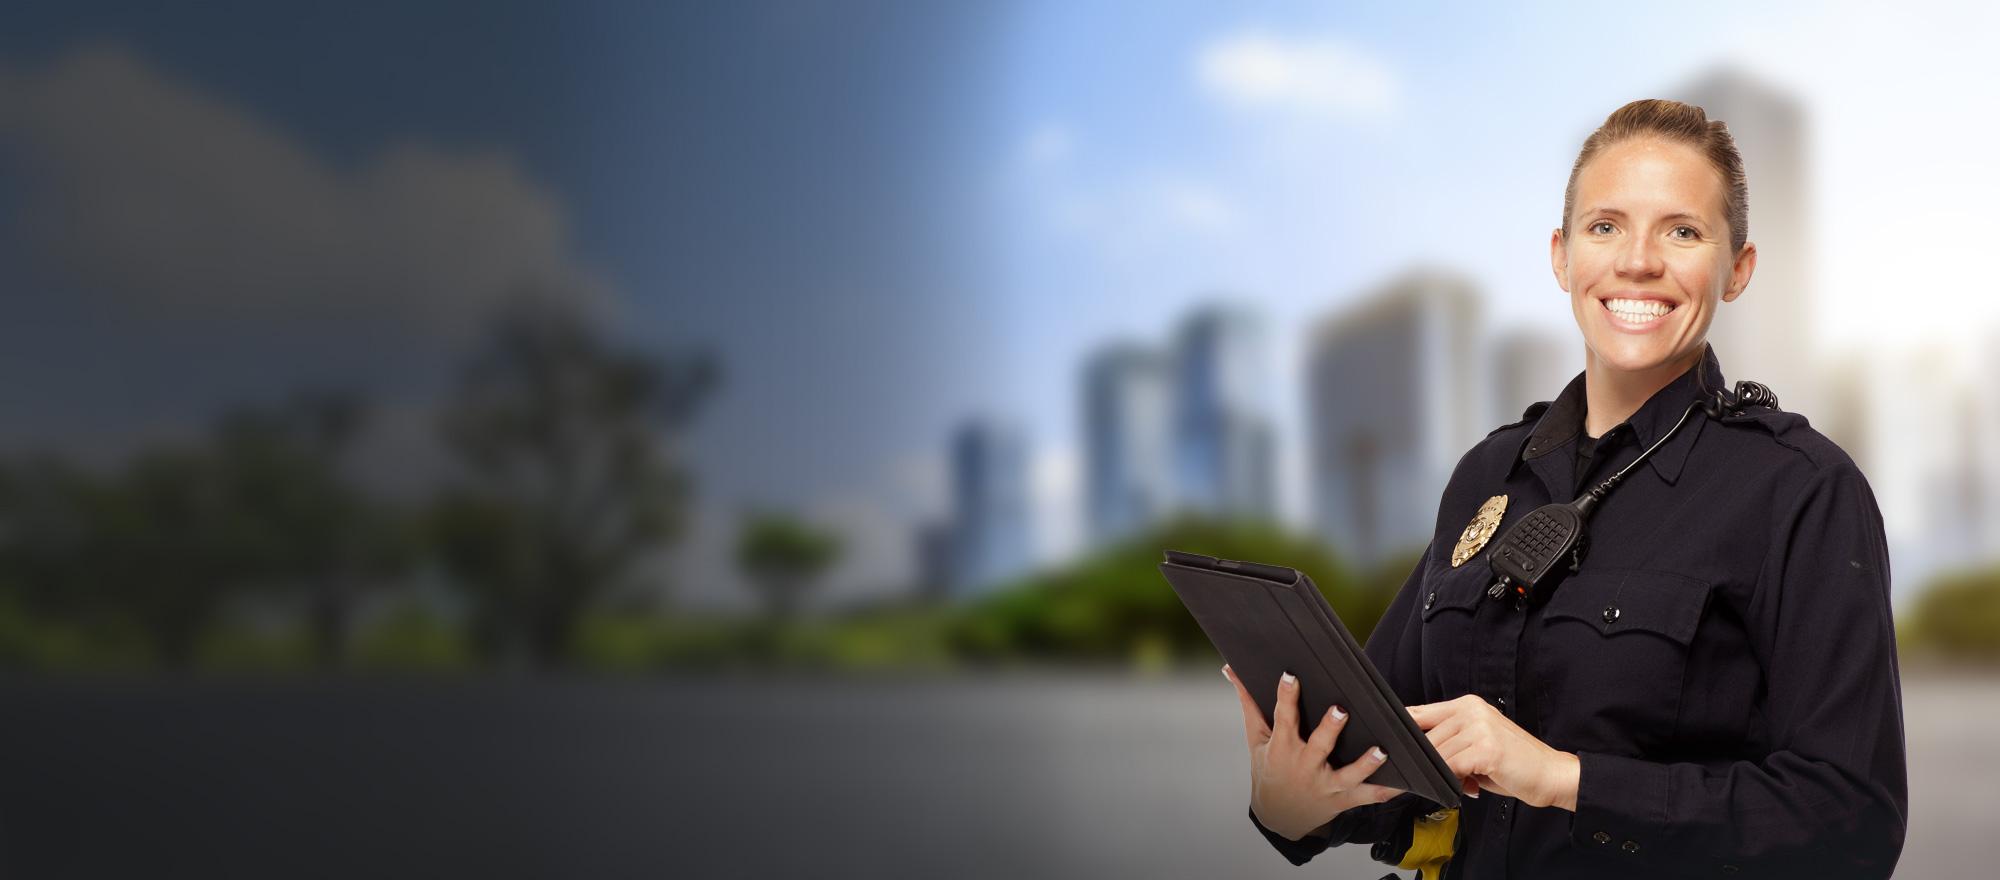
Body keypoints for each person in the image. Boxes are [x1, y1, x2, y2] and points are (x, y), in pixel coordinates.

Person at [1221, 98, 1907, 878]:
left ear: (1738, 268)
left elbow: (1854, 823)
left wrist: (1563, 780)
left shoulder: (1802, 490)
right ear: (1561, 256)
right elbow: (1388, 752)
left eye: (1682, 231)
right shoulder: (1489, 475)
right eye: (1605, 226)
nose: (1638, 261)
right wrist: (1294, 810)